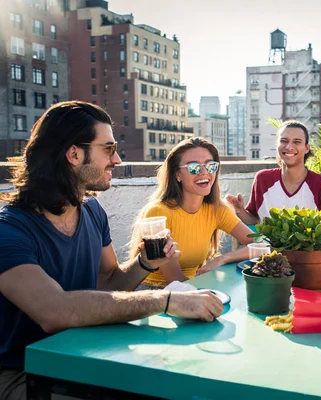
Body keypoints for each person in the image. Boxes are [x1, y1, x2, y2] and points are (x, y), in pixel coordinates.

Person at [0, 101, 224, 400]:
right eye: (108, 148)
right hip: (25, 373)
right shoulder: (10, 230)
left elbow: (108, 282)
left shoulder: (92, 210)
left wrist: (144, 264)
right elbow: (52, 311)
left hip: (86, 354)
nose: (117, 159)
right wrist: (166, 300)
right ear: (74, 154)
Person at [131, 138, 255, 288]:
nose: (204, 173)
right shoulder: (158, 212)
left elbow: (260, 245)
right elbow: (175, 281)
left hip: (192, 285)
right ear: (177, 174)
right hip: (155, 291)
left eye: (211, 166)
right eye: (194, 168)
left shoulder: (217, 209)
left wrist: (222, 259)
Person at [226, 120, 321, 223]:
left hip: (310, 247)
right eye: (284, 141)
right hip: (265, 246)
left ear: (307, 148)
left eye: (297, 142)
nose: (289, 147)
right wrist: (239, 210)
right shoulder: (263, 179)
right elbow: (255, 219)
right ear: (277, 145)